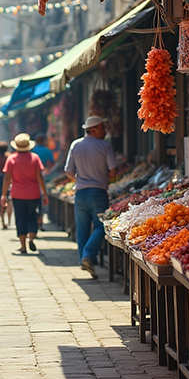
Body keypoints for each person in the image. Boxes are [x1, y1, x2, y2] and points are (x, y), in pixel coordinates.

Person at [65, 116, 119, 279]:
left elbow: (68, 171)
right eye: (103, 128)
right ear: (94, 129)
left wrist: (80, 180)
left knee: (82, 229)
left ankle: (84, 259)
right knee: (100, 226)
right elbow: (114, 170)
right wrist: (102, 178)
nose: (105, 131)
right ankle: (88, 255)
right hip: (98, 192)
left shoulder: (76, 145)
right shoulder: (105, 146)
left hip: (80, 192)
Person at [0, 134, 49, 254]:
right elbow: (40, 177)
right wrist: (45, 193)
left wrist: (3, 195)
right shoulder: (35, 158)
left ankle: (23, 247)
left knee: (20, 218)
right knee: (32, 215)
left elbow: (7, 178)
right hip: (34, 193)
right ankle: (31, 238)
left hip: (17, 194)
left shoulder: (11, 159)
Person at [32, 132, 55, 229]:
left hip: (29, 178)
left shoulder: (32, 150)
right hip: (42, 176)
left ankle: (33, 221)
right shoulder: (47, 151)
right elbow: (50, 164)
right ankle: (40, 221)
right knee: (40, 201)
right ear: (43, 140)